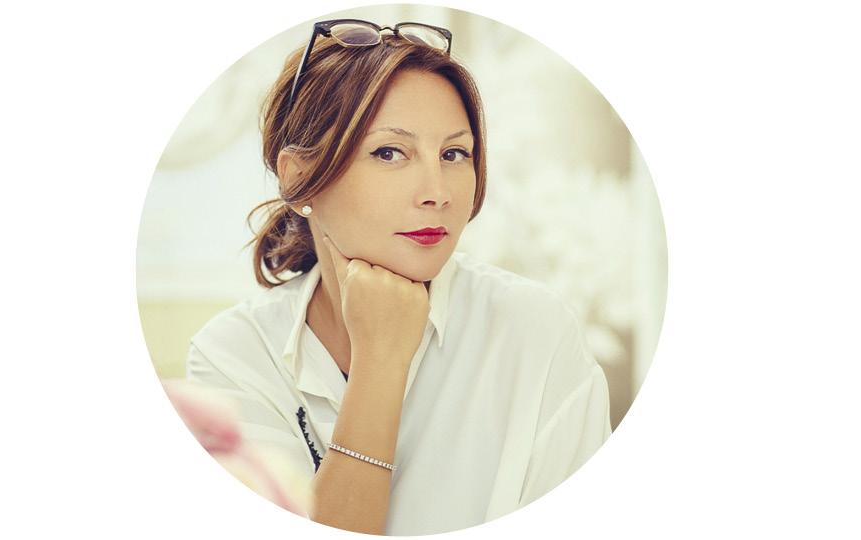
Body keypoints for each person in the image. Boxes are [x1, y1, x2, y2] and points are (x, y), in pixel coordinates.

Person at [185, 19, 611, 536]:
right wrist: (380, 364)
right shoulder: (234, 356)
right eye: (389, 153)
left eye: (454, 154)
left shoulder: (533, 330)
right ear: (300, 178)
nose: (437, 192)